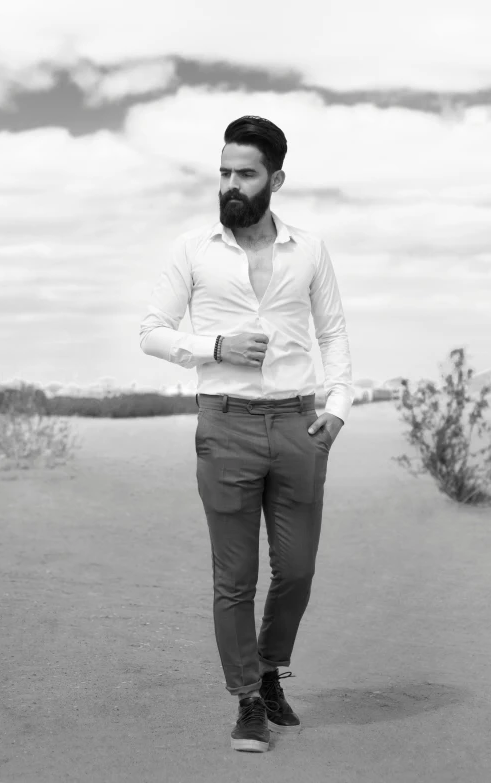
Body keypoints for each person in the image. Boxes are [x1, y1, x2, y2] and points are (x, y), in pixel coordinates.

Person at [140, 115, 355, 753]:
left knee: (296, 570)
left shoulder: (310, 249)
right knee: (233, 579)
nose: (231, 185)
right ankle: (247, 701)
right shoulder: (192, 249)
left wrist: (337, 406)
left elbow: (334, 333)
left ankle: (267, 667)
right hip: (226, 423)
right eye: (225, 172)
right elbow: (151, 330)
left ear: (276, 179)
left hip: (297, 423)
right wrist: (216, 345)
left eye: (247, 173)